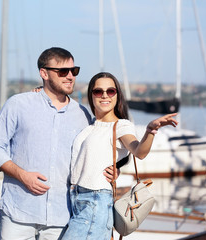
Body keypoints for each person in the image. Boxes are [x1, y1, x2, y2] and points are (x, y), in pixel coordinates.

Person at [0, 47, 102, 239]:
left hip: (62, 218)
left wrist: (111, 170)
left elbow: (91, 158)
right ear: (44, 73)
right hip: (18, 213)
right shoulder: (18, 105)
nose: (70, 76)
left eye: (74, 71)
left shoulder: (83, 115)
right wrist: (22, 176)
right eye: (63, 71)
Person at [62, 72, 178, 240]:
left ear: (117, 95)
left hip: (95, 201)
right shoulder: (91, 125)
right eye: (98, 91)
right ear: (91, 95)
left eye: (110, 91)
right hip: (76, 199)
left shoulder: (121, 126)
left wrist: (150, 131)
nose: (104, 95)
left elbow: (139, 151)